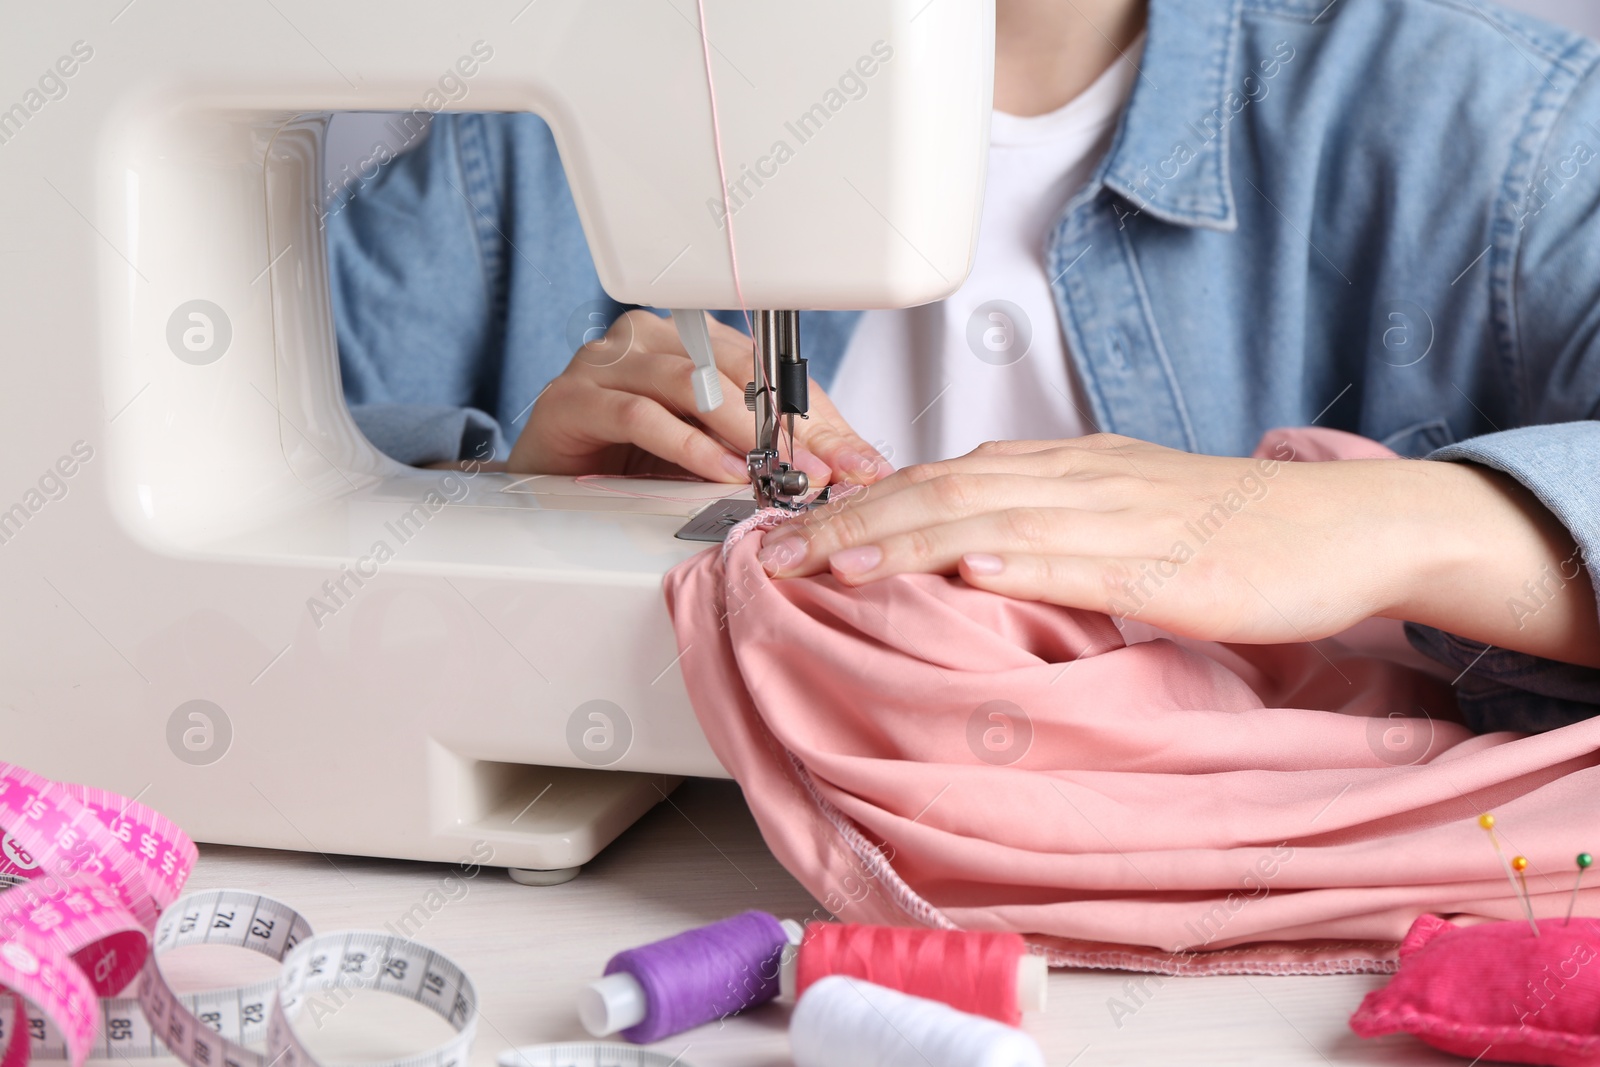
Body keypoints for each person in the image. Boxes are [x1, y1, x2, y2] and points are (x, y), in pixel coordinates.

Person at [327, 0, 1600, 732]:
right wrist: (501, 521)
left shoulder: (1498, 127)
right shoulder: (540, 125)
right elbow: (211, 526)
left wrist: (1380, 523)